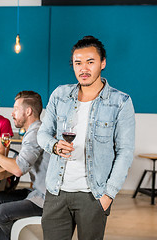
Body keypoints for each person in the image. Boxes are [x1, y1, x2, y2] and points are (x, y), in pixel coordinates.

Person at [37, 36, 135, 240]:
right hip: (56, 193)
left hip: (94, 195)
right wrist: (55, 146)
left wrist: (108, 195)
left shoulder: (120, 102)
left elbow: (125, 152)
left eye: (90, 62)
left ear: (103, 63)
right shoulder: (60, 95)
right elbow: (42, 134)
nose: (84, 68)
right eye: (78, 63)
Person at [0, 91, 50, 240]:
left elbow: (18, 170)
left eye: (15, 109)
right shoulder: (34, 130)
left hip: (46, 199)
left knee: (1, 212)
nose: (12, 113)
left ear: (28, 111)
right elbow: (20, 162)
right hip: (37, 192)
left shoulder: (35, 133)